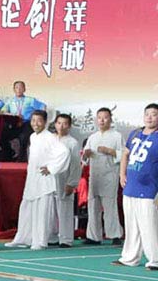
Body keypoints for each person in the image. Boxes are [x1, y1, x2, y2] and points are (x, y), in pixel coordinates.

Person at [6, 110, 70, 250]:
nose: (35, 123)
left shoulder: (50, 137)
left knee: (42, 211)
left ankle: (40, 241)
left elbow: (64, 152)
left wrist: (51, 168)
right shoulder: (33, 136)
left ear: (45, 122)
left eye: (39, 120)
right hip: (32, 179)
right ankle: (23, 237)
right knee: (27, 208)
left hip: (44, 179)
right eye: (33, 120)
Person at [114, 103, 158, 270]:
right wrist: (122, 174)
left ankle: (155, 259)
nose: (149, 117)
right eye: (147, 114)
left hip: (149, 189)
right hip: (131, 186)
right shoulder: (135, 133)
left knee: (149, 225)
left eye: (154, 114)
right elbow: (125, 154)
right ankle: (129, 257)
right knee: (131, 224)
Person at [82, 107, 123, 245]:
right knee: (93, 206)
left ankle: (115, 234)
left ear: (110, 119)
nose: (102, 120)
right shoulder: (92, 137)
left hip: (110, 175)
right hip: (95, 176)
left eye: (105, 117)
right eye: (99, 117)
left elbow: (123, 155)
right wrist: (86, 155)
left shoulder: (117, 136)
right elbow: (85, 159)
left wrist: (110, 151)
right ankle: (94, 236)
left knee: (110, 206)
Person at [49, 114, 82, 247]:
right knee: (50, 209)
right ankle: (51, 236)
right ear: (55, 124)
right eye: (59, 123)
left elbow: (75, 165)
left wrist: (72, 183)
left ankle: (66, 239)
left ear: (69, 126)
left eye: (64, 124)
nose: (61, 126)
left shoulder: (72, 143)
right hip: (50, 178)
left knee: (65, 209)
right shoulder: (50, 139)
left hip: (65, 178)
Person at [1, 81, 46, 160]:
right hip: (14, 123)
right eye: (16, 87)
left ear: (24, 89)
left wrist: (39, 118)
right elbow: (2, 111)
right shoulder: (10, 101)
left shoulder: (30, 100)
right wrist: (12, 115)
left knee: (23, 137)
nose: (19, 89)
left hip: (26, 123)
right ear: (14, 89)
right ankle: (9, 154)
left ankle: (22, 158)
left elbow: (43, 107)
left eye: (21, 87)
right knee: (2, 134)